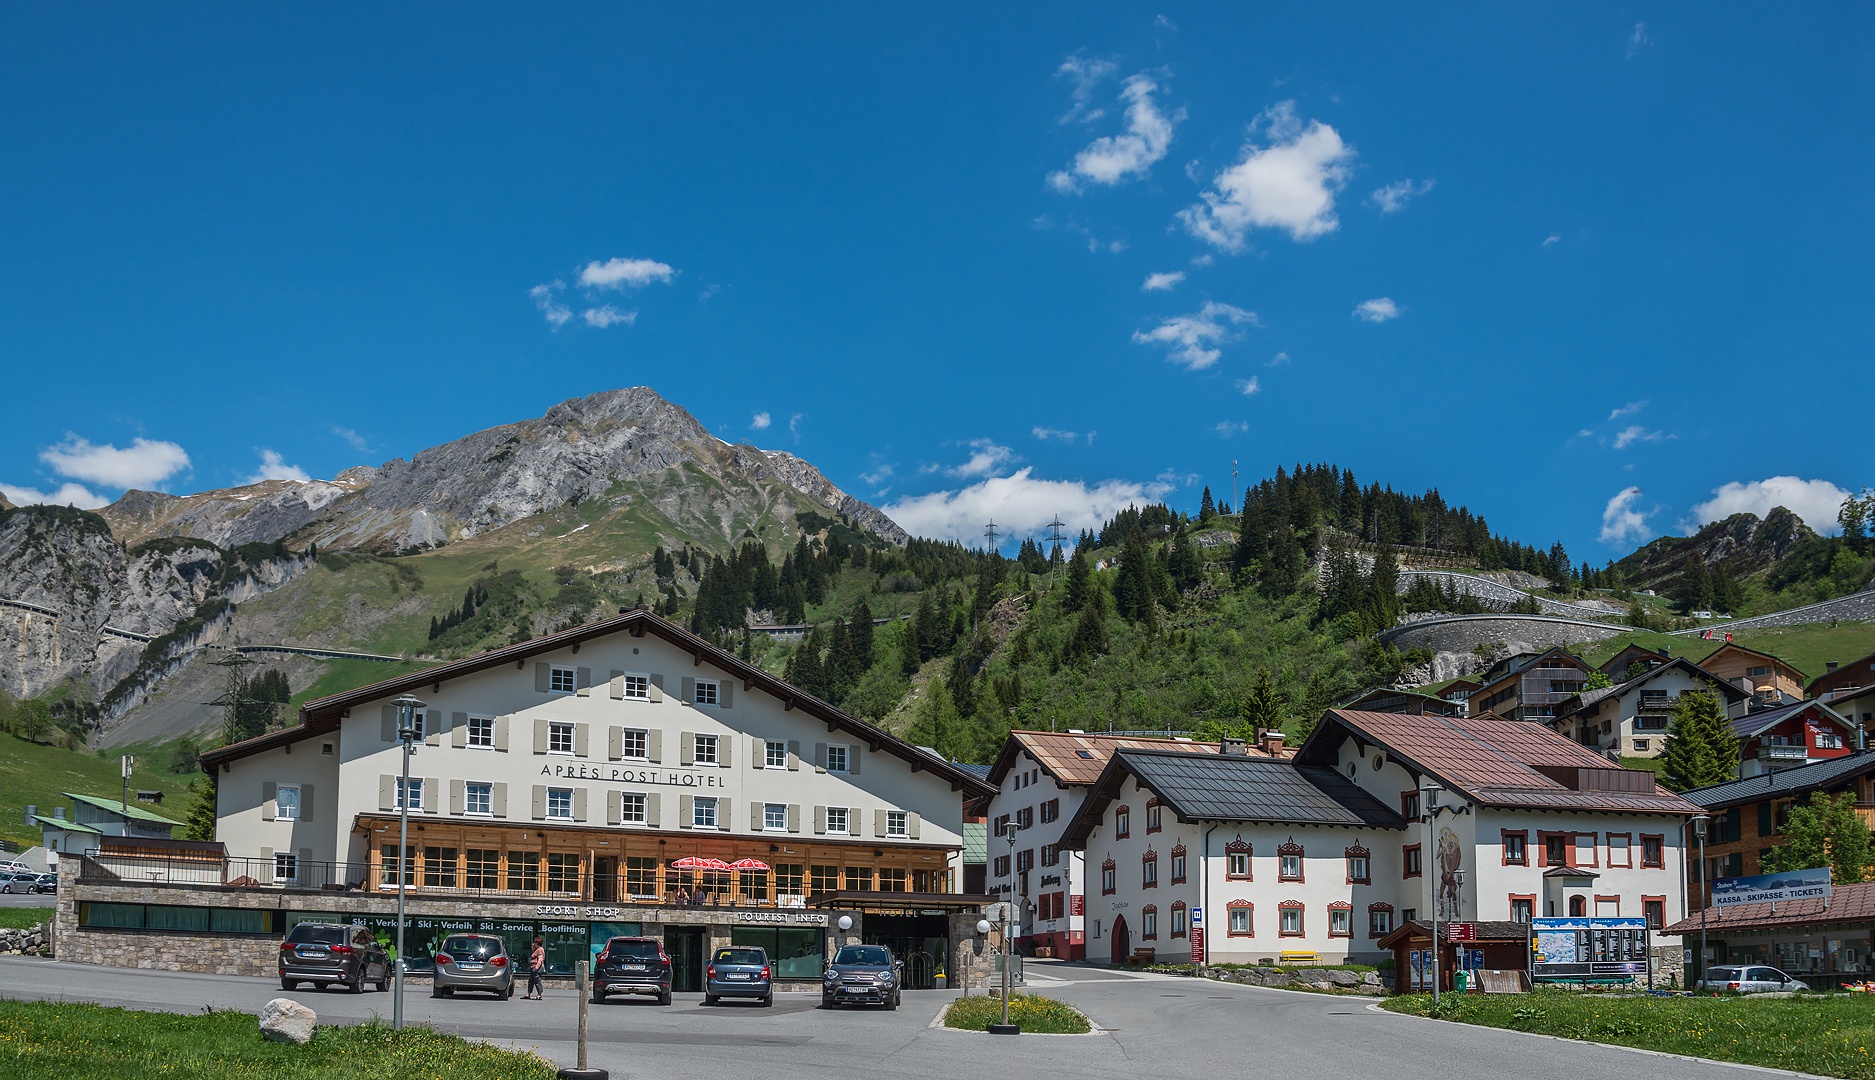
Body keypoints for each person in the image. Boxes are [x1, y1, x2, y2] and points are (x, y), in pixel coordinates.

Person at [527, 935, 545, 999]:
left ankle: (539, 994)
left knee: (537, 981)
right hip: (533, 966)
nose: (533, 944)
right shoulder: (536, 949)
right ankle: (528, 993)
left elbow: (540, 960)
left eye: (534, 942)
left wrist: (536, 968)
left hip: (537, 967)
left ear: (537, 943)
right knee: (531, 981)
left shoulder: (540, 950)